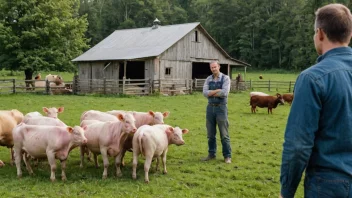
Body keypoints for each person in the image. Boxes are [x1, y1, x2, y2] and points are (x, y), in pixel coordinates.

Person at [280, 3, 352, 198]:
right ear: (349, 34)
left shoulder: (313, 78)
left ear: (320, 33)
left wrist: (286, 191)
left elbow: (297, 146)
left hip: (328, 183)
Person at [202, 61, 232, 164]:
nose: (213, 69)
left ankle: (227, 156)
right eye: (212, 67)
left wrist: (211, 93)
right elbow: (205, 93)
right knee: (210, 134)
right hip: (210, 108)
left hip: (221, 108)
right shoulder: (208, 79)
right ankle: (211, 154)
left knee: (224, 133)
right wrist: (216, 91)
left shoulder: (225, 78)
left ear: (219, 67)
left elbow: (224, 93)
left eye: (215, 67)